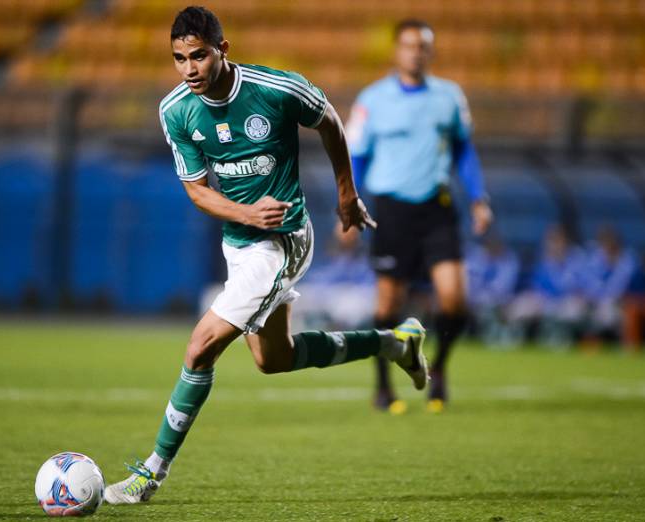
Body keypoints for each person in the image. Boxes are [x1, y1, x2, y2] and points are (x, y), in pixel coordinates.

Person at [103, 7, 430, 505]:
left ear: (222, 50)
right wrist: (244, 213)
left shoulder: (276, 89)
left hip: (283, 241)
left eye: (199, 56)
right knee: (275, 359)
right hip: (240, 242)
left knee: (198, 349)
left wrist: (346, 193)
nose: (189, 68)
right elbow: (196, 190)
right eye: (179, 58)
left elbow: (330, 122)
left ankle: (151, 473)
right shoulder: (176, 110)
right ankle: (394, 344)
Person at [343, 19, 492, 414]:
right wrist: (349, 202)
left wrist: (478, 198)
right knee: (388, 304)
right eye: (409, 45)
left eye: (423, 46)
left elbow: (463, 150)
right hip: (392, 210)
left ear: (431, 51)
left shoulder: (449, 96)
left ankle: (439, 367)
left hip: (437, 207)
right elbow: (355, 155)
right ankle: (382, 385)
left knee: (455, 300)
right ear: (397, 50)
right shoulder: (372, 100)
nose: (416, 52)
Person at [507, 224, 586, 347]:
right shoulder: (544, 260)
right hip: (546, 301)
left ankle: (566, 337)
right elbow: (537, 286)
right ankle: (511, 335)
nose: (554, 245)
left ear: (565, 242)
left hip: (566, 301)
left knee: (575, 306)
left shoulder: (576, 259)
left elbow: (578, 287)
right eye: (551, 241)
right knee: (522, 303)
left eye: (557, 240)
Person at [465, 234, 520, 347]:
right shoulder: (477, 258)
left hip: (502, 301)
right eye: (489, 245)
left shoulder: (508, 260)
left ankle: (499, 335)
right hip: (476, 300)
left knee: (493, 304)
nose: (491, 248)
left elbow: (502, 288)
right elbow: (471, 281)